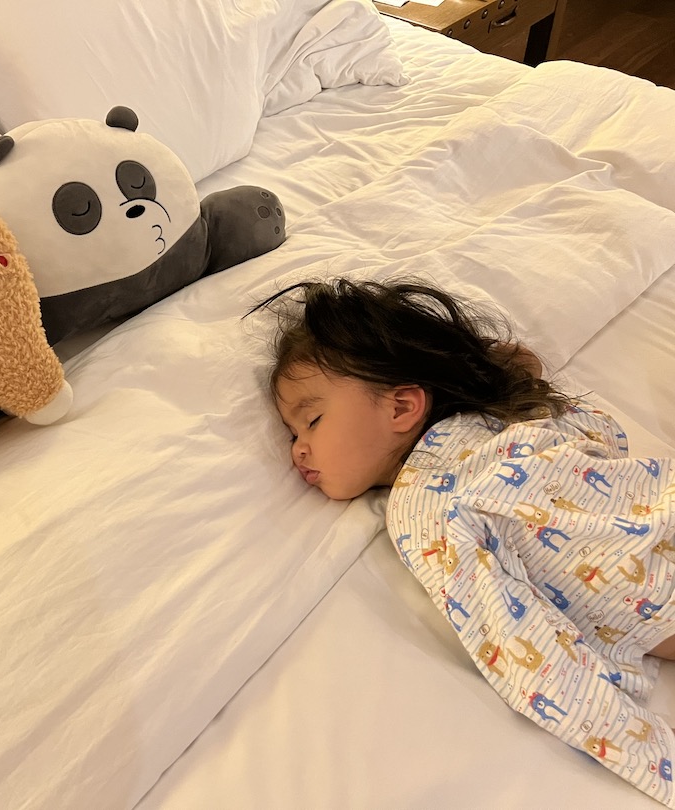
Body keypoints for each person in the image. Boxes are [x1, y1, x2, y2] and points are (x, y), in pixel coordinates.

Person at [253, 276, 675, 806]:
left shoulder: (425, 503)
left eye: (312, 421)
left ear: (402, 407)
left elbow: (520, 643)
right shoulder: (495, 426)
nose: (298, 449)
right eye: (293, 434)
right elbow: (596, 431)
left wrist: (653, 755)